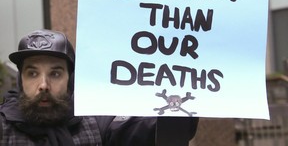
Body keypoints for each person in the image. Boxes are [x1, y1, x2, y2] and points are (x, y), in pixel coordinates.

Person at [0, 29, 198, 145]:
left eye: (56, 73)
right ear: (20, 80)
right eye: (32, 73)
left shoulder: (95, 121)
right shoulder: (4, 129)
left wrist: (180, 96)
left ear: (71, 80)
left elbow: (154, 130)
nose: (43, 85)